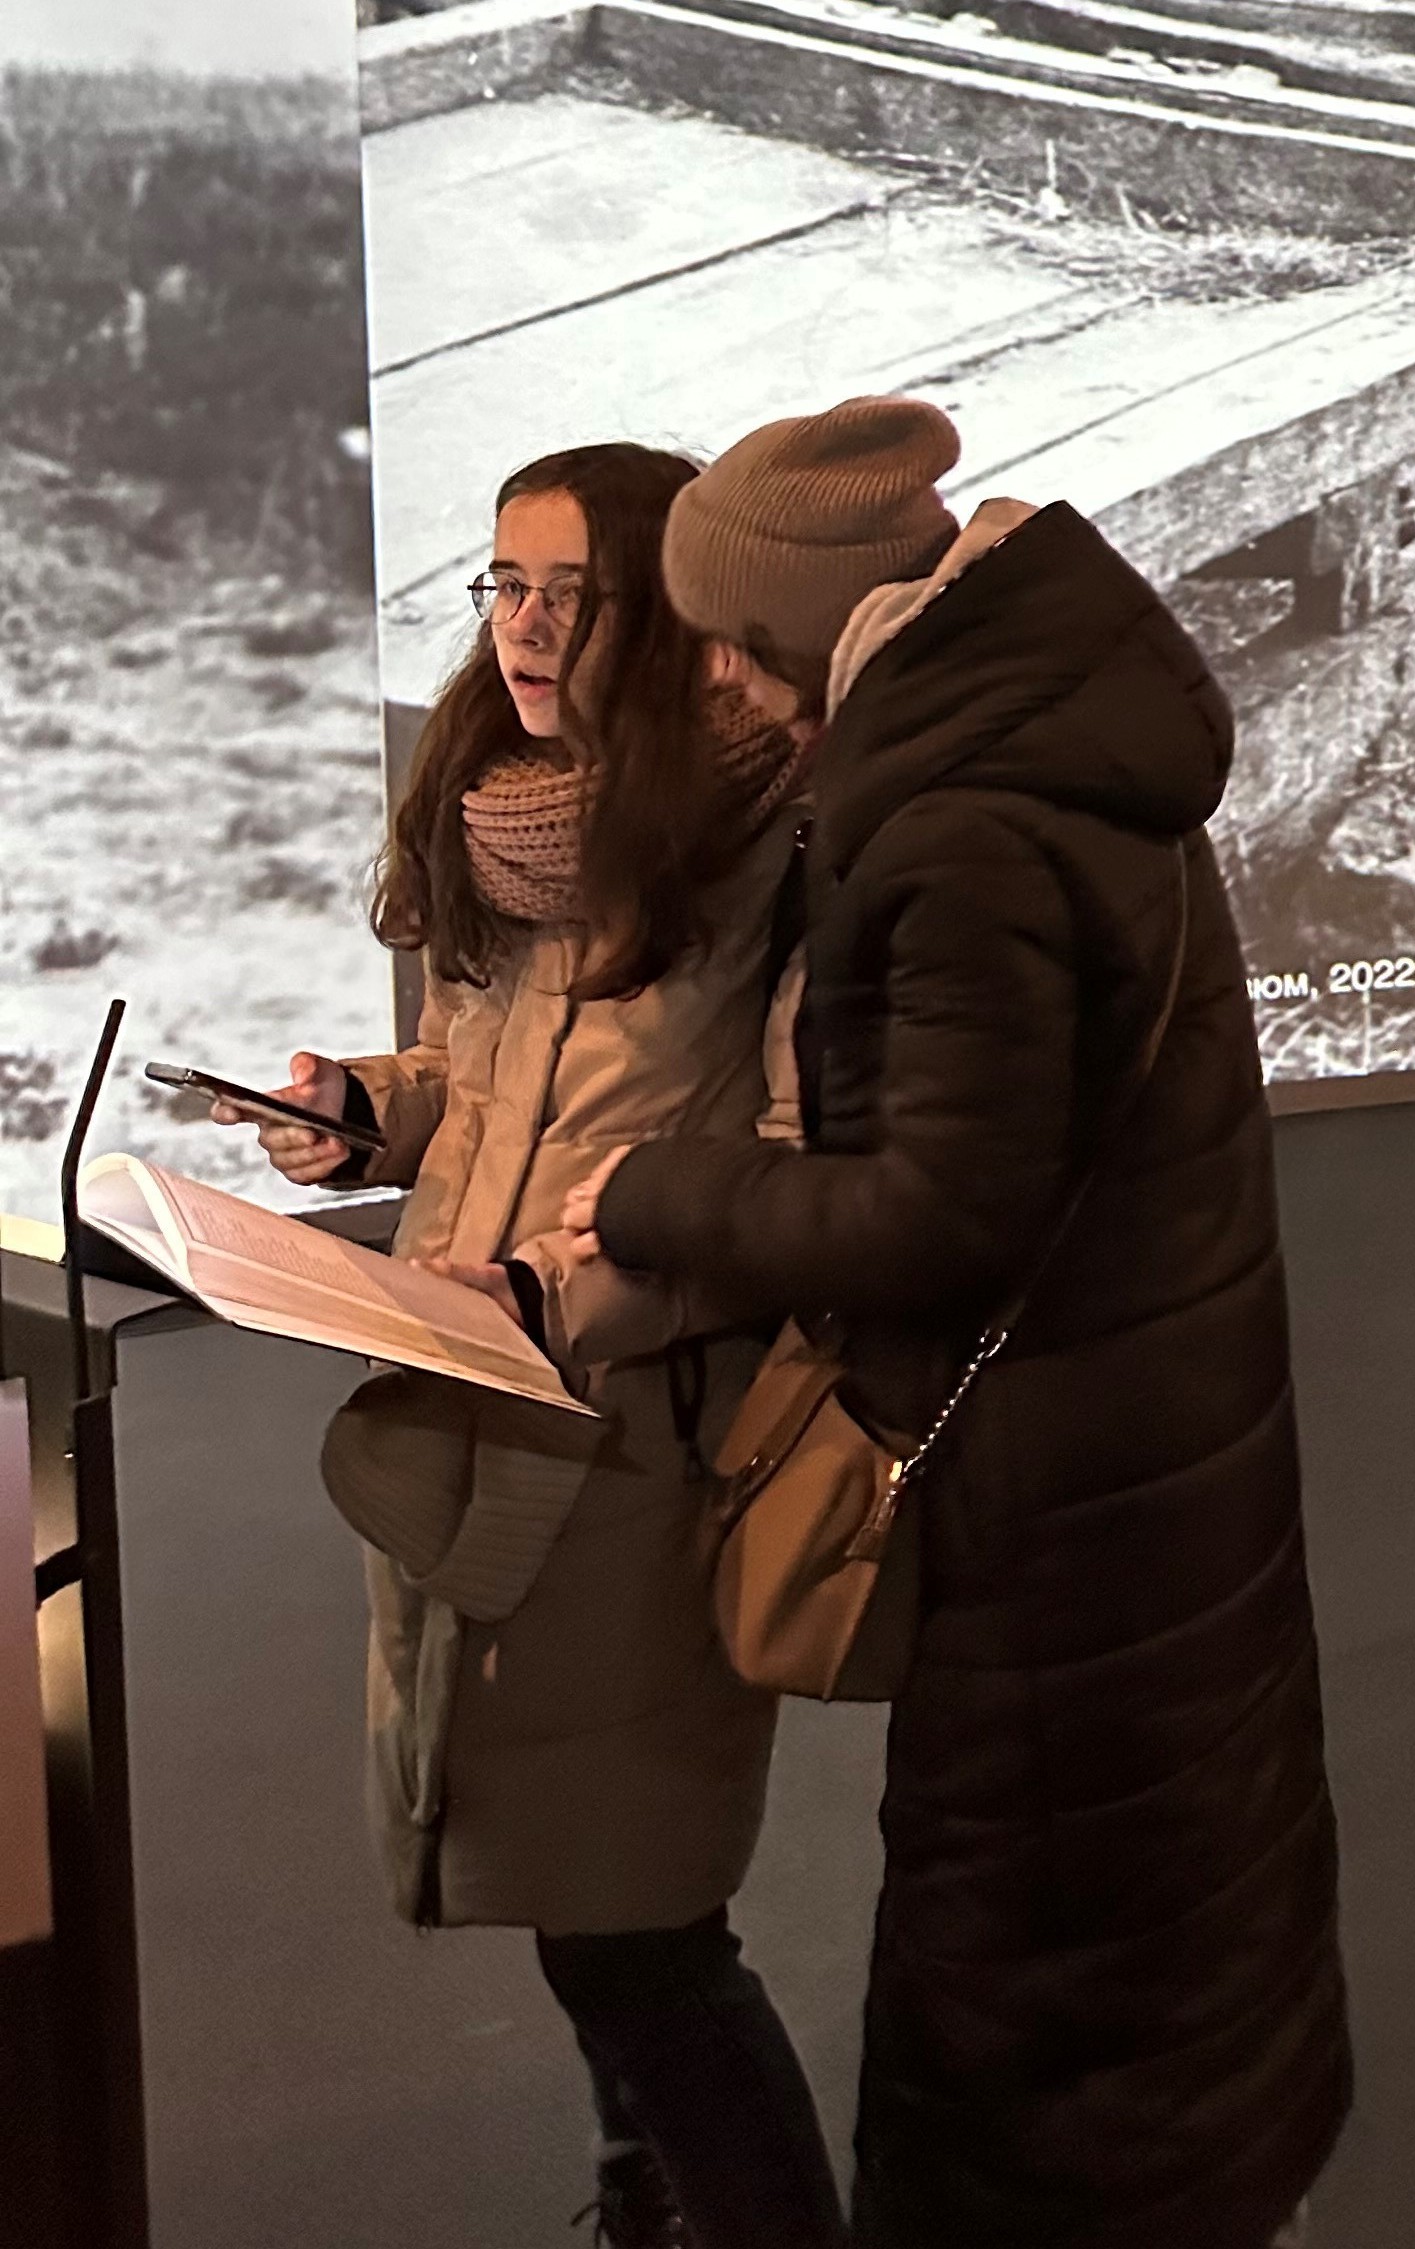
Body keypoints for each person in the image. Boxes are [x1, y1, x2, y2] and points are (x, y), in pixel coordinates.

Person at [564, 398, 1351, 2249]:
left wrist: (651, 1193)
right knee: (1185, 1887)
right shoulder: (1056, 740)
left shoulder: (964, 828)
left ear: (819, 630)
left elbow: (935, 1207)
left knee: (1044, 1960)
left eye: (738, 657)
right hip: (1154, 1430)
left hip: (1052, 1495)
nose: (728, 695)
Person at [215, 443, 843, 2249]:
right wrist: (364, 1115)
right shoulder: (498, 803)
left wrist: (575, 1295)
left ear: (670, 615)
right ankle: (648, 2197)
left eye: (575, 589)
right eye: (503, 581)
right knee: (588, 1894)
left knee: (638, 1921)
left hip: (633, 1443)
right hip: (463, 1396)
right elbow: (482, 1088)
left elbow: (791, 1185)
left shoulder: (765, 847)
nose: (528, 625)